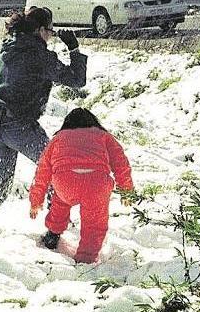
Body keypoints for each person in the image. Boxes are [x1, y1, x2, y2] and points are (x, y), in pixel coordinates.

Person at [0, 6, 87, 238]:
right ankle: (53, 234)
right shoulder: (39, 55)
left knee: (0, 186)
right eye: (50, 31)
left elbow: (2, 80)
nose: (51, 36)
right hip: (21, 129)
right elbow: (77, 80)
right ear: (40, 30)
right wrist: (74, 48)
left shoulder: (5, 51)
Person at [28, 108, 133, 264]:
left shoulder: (58, 139)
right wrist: (126, 190)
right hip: (96, 185)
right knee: (95, 222)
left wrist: (36, 200)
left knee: (60, 202)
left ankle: (53, 233)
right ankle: (86, 259)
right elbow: (121, 164)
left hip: (65, 184)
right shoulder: (104, 136)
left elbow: (43, 171)